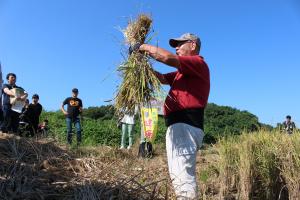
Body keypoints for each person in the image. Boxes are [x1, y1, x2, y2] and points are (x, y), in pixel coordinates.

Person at [131, 33, 210, 199]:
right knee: (178, 176)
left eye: (180, 44)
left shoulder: (198, 63)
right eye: (175, 44)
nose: (176, 47)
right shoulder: (181, 73)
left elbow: (167, 57)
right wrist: (141, 65)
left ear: (193, 45)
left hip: (185, 125)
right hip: (179, 126)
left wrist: (142, 47)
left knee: (183, 178)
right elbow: (160, 78)